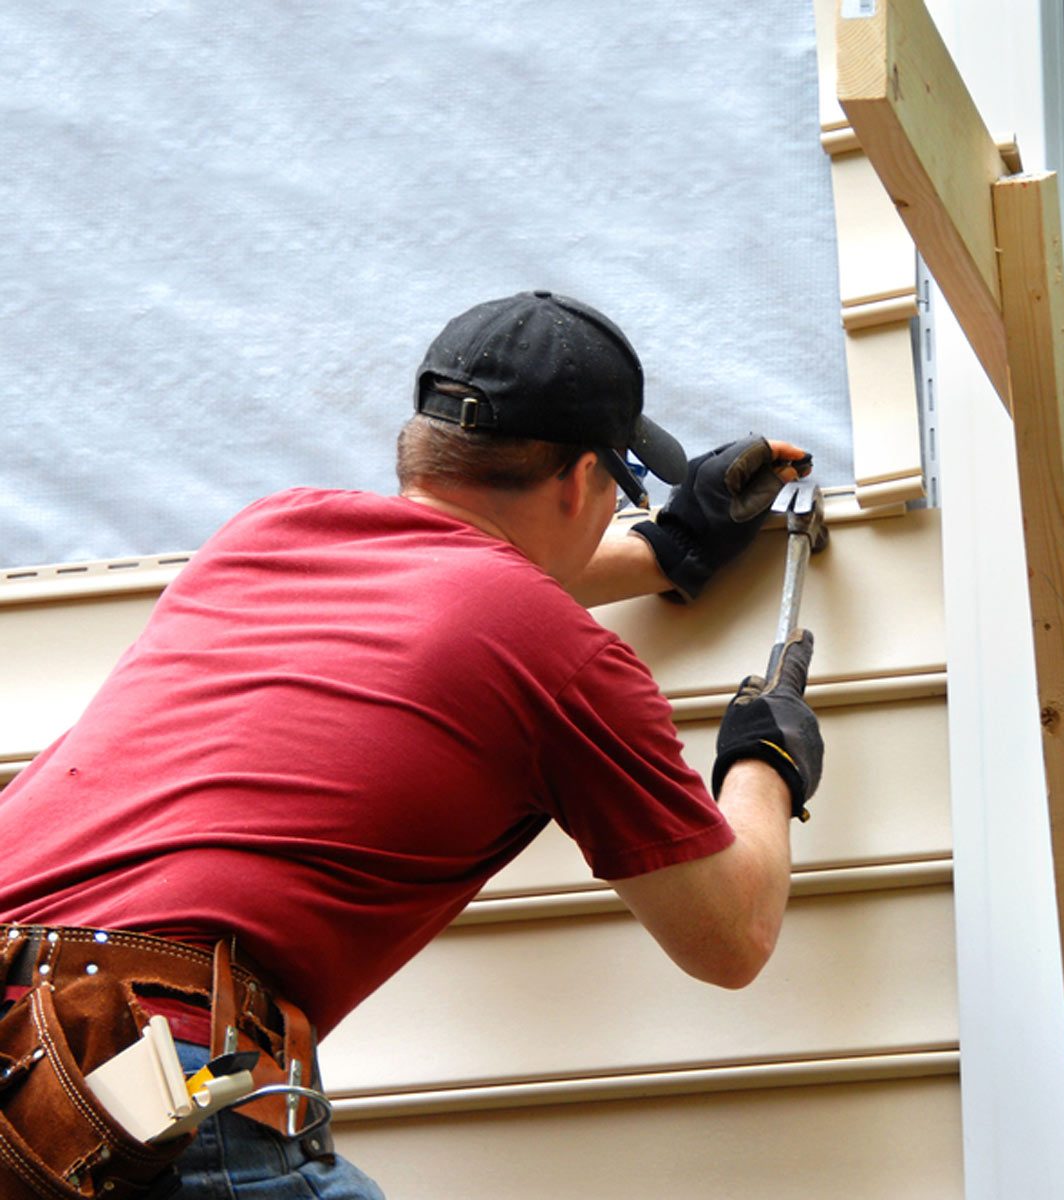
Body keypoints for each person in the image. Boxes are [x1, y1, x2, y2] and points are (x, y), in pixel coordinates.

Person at [0, 290, 823, 1198]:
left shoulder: (268, 534)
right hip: (135, 1069)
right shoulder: (561, 657)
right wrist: (765, 761)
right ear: (580, 481)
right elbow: (730, 938)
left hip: (30, 1063)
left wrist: (671, 549)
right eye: (622, 489)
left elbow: (450, 586)